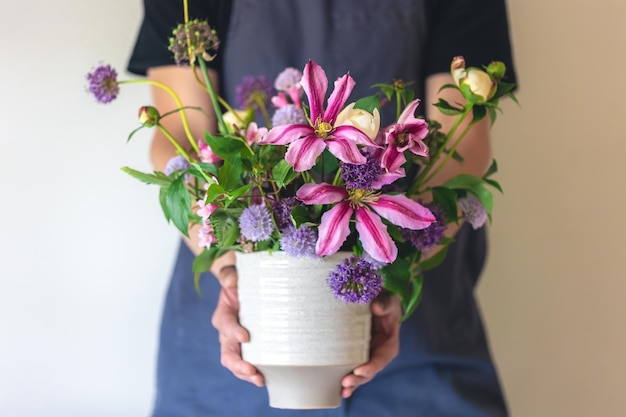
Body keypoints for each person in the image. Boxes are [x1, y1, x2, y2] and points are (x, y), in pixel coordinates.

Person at [127, 0, 517, 416]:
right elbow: (179, 134)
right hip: (243, 321)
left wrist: (386, 279)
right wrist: (232, 272)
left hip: (412, 328)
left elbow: (463, 143)